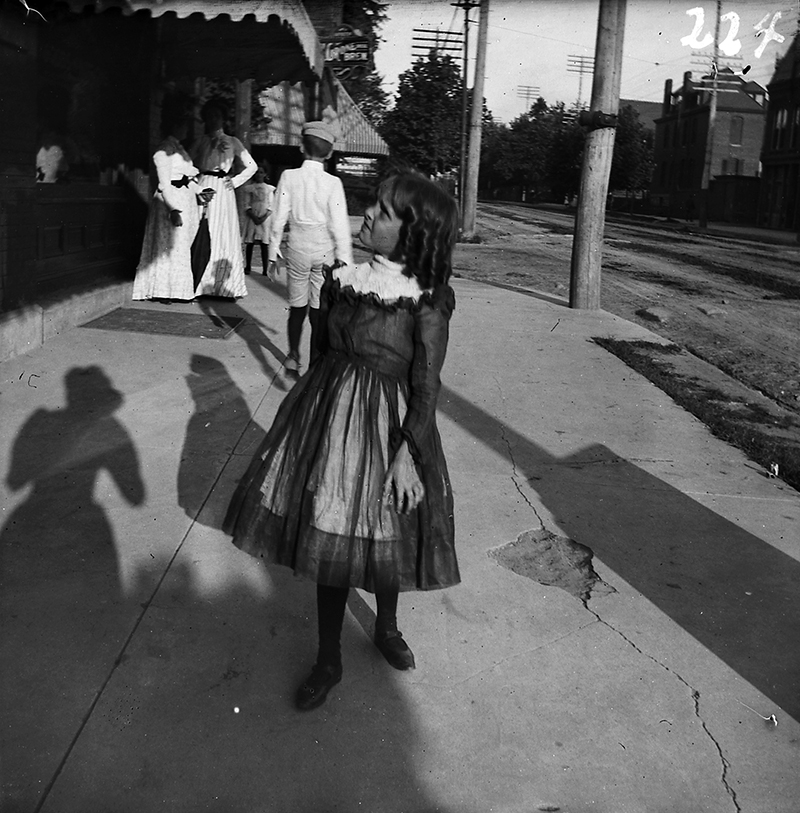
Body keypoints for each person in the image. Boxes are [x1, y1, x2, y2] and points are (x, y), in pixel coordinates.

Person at [224, 170, 461, 711]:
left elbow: (426, 387)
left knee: (385, 529)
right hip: (330, 422)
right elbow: (321, 354)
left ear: (412, 233)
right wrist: (308, 421)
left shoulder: (426, 301)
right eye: (371, 205)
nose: (368, 215)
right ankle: (328, 658)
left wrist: (409, 453)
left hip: (390, 431)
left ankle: (387, 626)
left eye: (383, 211)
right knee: (330, 530)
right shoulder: (341, 280)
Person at [265, 120, 353, 374]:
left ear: (302, 148)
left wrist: (273, 253)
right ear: (329, 153)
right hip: (324, 251)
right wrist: (345, 260)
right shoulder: (333, 183)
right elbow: (340, 225)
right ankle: (316, 361)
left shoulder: (289, 177)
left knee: (296, 306)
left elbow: (278, 217)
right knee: (318, 309)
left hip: (298, 248)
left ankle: (293, 355)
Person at [132, 96, 214, 302]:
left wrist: (200, 190)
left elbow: (186, 177)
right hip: (169, 202)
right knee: (169, 247)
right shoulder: (164, 150)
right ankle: (163, 290)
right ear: (175, 125)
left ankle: (177, 290)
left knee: (180, 247)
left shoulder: (179, 148)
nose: (187, 130)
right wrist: (173, 209)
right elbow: (164, 183)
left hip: (184, 197)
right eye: (184, 125)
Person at [192, 98, 257, 298]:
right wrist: (195, 185)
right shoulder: (200, 141)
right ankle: (200, 284)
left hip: (222, 189)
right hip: (203, 187)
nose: (213, 120)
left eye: (217, 116)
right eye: (210, 116)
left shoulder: (232, 142)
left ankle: (223, 287)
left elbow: (252, 166)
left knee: (221, 231)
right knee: (202, 230)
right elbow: (189, 166)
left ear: (224, 119)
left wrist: (236, 181)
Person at [242, 164, 275, 276]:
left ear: (265, 174)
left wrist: (263, 217)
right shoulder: (250, 189)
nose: (259, 175)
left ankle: (265, 268)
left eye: (261, 172)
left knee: (264, 243)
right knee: (250, 242)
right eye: (257, 172)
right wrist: (254, 216)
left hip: (264, 215)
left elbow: (271, 206)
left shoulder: (269, 189)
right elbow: (246, 204)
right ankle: (248, 266)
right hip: (253, 214)